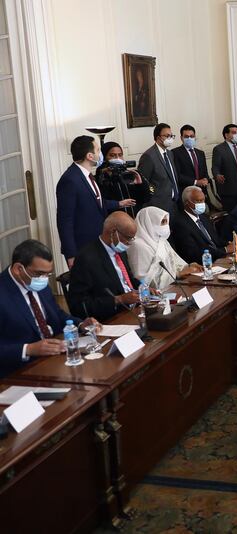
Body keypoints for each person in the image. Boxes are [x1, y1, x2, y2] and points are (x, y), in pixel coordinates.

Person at [0, 240, 99, 378]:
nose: (43, 279)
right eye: (39, 274)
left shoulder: (37, 284)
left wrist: (81, 324)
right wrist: (28, 349)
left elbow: (57, 315)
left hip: (54, 357)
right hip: (19, 370)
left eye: (47, 274)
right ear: (18, 269)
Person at [56, 136, 136, 268]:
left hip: (98, 242)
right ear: (90, 156)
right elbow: (65, 221)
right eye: (98, 150)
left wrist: (118, 204)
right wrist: (71, 255)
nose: (101, 154)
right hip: (83, 247)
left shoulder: (87, 175)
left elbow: (94, 203)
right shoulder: (70, 180)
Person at [67, 212, 141, 321]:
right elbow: (79, 306)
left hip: (134, 310)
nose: (129, 243)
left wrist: (143, 288)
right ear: (113, 232)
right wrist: (119, 299)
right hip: (111, 318)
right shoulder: (86, 259)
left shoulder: (119, 250)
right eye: (128, 238)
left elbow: (128, 280)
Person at [128, 207, 202, 291]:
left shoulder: (161, 240)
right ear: (149, 222)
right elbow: (144, 280)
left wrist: (188, 266)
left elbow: (174, 260)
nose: (166, 226)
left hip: (175, 285)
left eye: (166, 221)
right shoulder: (138, 245)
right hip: (155, 295)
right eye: (162, 222)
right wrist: (177, 274)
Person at [170, 186, 233, 264]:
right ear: (187, 202)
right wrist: (225, 250)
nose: (202, 204)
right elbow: (193, 253)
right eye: (198, 201)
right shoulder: (180, 223)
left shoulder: (203, 217)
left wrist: (228, 244)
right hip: (202, 263)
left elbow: (215, 240)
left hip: (219, 256)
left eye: (203, 200)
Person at [138, 123, 182, 213]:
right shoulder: (148, 156)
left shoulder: (170, 154)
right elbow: (143, 183)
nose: (170, 138)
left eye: (171, 136)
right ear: (158, 138)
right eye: (167, 136)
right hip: (157, 206)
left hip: (174, 203)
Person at [95, 141, 148, 212]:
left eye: (120, 155)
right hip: (116, 219)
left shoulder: (131, 174)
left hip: (135, 218)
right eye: (112, 155)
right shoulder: (99, 178)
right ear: (104, 158)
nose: (117, 158)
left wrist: (140, 185)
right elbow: (101, 203)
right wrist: (108, 177)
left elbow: (146, 198)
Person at [212, 123, 237, 211]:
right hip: (229, 190)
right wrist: (217, 175)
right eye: (234, 132)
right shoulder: (219, 149)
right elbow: (215, 167)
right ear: (226, 135)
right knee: (232, 216)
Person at [172, 124, 210, 195]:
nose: (189, 138)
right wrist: (196, 182)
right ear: (181, 138)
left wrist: (206, 179)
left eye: (192, 136)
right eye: (186, 136)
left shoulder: (200, 153)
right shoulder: (175, 153)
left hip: (202, 191)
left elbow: (205, 172)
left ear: (195, 137)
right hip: (186, 192)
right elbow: (177, 175)